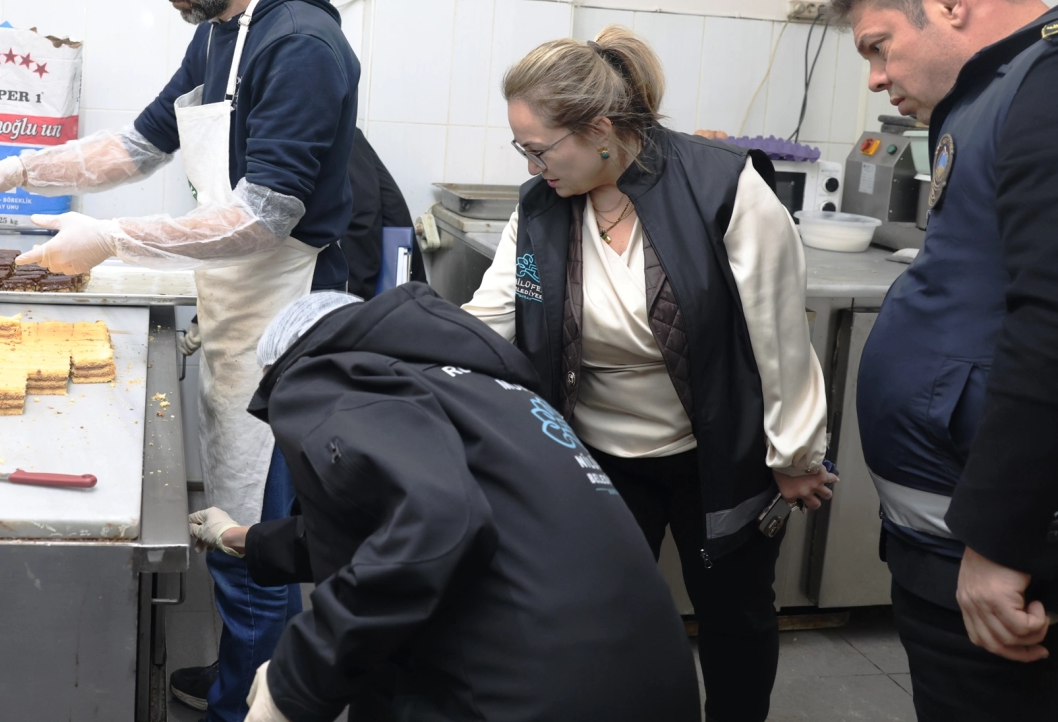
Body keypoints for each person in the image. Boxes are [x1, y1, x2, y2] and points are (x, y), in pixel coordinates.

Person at [0, 0, 360, 722]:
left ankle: (253, 707)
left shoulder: (300, 46)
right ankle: (238, 681)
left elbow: (264, 218)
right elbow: (138, 146)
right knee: (235, 521)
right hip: (237, 297)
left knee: (256, 538)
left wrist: (113, 239)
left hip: (286, 317)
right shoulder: (221, 33)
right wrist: (7, 170)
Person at [461, 28, 835, 722]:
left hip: (716, 453)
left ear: (600, 130)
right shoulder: (542, 208)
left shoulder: (722, 188)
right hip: (599, 456)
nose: (532, 165)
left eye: (540, 148)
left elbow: (780, 335)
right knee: (604, 617)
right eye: (523, 149)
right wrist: (405, 352)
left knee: (734, 615)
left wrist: (796, 456)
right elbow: (492, 316)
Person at [829, 0, 1058, 721]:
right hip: (964, 549)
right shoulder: (1007, 87)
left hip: (1032, 570)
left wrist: (1000, 542)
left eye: (879, 46)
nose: (877, 79)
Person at [188, 285, 701, 722]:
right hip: (655, 674)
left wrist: (295, 678)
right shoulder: (483, 388)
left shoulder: (319, 376)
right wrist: (245, 540)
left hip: (533, 691)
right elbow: (389, 521)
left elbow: (437, 517)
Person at [341, 128, 426, 299]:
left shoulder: (340, 134)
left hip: (385, 270)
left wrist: (353, 297)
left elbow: (363, 214)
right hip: (377, 264)